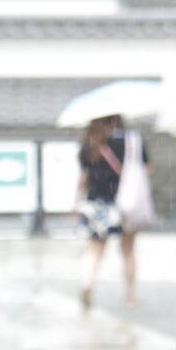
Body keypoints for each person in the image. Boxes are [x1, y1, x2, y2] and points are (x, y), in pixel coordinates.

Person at [75, 115, 137, 311]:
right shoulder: (129, 142)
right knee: (128, 251)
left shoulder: (88, 145)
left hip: (95, 204)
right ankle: (129, 295)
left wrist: (76, 203)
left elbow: (84, 178)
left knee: (94, 249)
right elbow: (144, 169)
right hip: (123, 203)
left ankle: (87, 283)